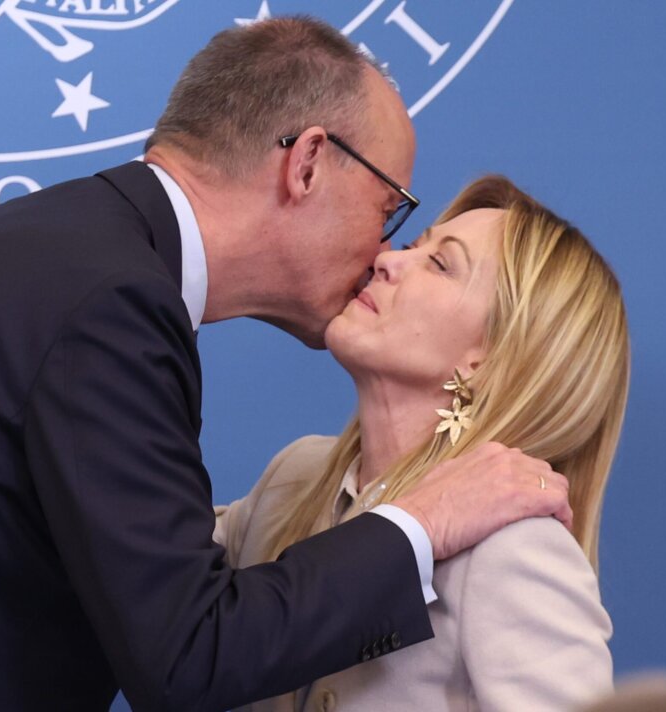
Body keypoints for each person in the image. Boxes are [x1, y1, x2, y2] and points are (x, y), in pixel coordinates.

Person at [0, 19, 569, 712]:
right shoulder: (109, 302)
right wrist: (422, 523)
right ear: (308, 164)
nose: (384, 253)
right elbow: (191, 651)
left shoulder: (57, 250)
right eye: (390, 208)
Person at [215, 175, 630, 711]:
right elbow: (146, 591)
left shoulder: (513, 549)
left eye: (439, 263)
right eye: (414, 245)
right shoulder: (294, 476)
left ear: (491, 358)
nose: (387, 259)